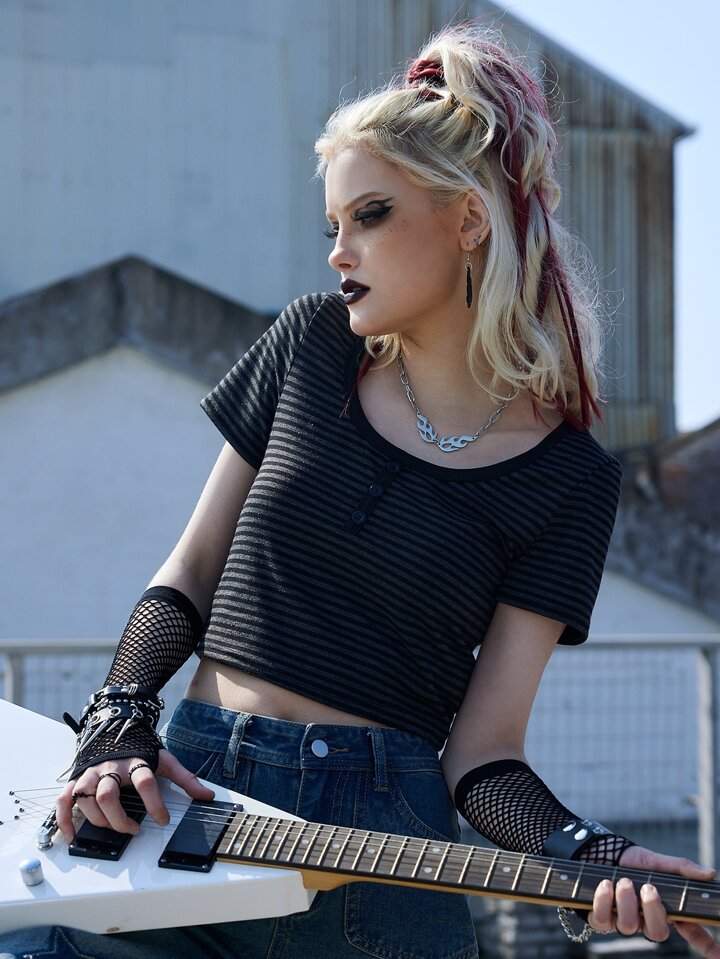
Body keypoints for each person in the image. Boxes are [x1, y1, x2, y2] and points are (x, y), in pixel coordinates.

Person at [3, 21, 718, 959]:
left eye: (371, 215)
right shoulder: (307, 347)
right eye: (333, 225)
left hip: (381, 859)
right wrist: (117, 718)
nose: (340, 251)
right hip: (183, 808)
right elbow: (189, 574)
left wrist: (593, 852)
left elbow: (485, 753)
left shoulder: (572, 477)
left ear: (469, 219)